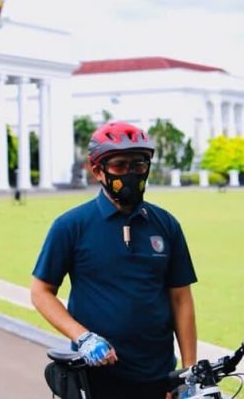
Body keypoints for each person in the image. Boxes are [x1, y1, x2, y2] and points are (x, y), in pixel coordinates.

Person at [31, 121, 197, 399]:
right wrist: (82, 336)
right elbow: (41, 292)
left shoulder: (166, 224)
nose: (131, 173)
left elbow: (181, 299)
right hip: (95, 378)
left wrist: (188, 373)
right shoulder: (71, 226)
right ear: (98, 170)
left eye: (139, 164)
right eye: (120, 165)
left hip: (157, 377)